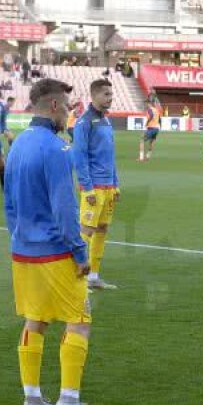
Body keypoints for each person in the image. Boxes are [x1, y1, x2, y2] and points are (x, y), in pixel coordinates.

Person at [4, 79, 101, 405]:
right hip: (55, 252)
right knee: (80, 318)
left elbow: (9, 203)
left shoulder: (17, 144)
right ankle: (69, 400)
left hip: (23, 249)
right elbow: (64, 209)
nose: (71, 114)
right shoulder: (58, 148)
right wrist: (79, 251)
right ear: (55, 107)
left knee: (37, 317)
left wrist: (19, 237)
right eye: (69, 107)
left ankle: (32, 397)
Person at [73, 79, 119, 291]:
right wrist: (87, 187)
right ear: (94, 96)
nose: (110, 98)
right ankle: (76, 279)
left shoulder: (106, 121)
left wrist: (115, 183)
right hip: (94, 187)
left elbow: (110, 156)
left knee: (102, 229)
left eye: (111, 94)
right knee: (86, 231)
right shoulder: (84, 122)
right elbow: (79, 157)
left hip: (108, 187)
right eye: (106, 95)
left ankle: (93, 276)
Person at [139, 94, 162, 162]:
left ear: (148, 103)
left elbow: (151, 116)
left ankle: (141, 157)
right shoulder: (156, 110)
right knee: (151, 143)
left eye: (145, 103)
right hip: (157, 128)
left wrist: (147, 123)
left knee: (142, 140)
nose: (145, 105)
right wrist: (159, 126)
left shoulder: (149, 109)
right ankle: (148, 157)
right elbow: (159, 119)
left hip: (151, 128)